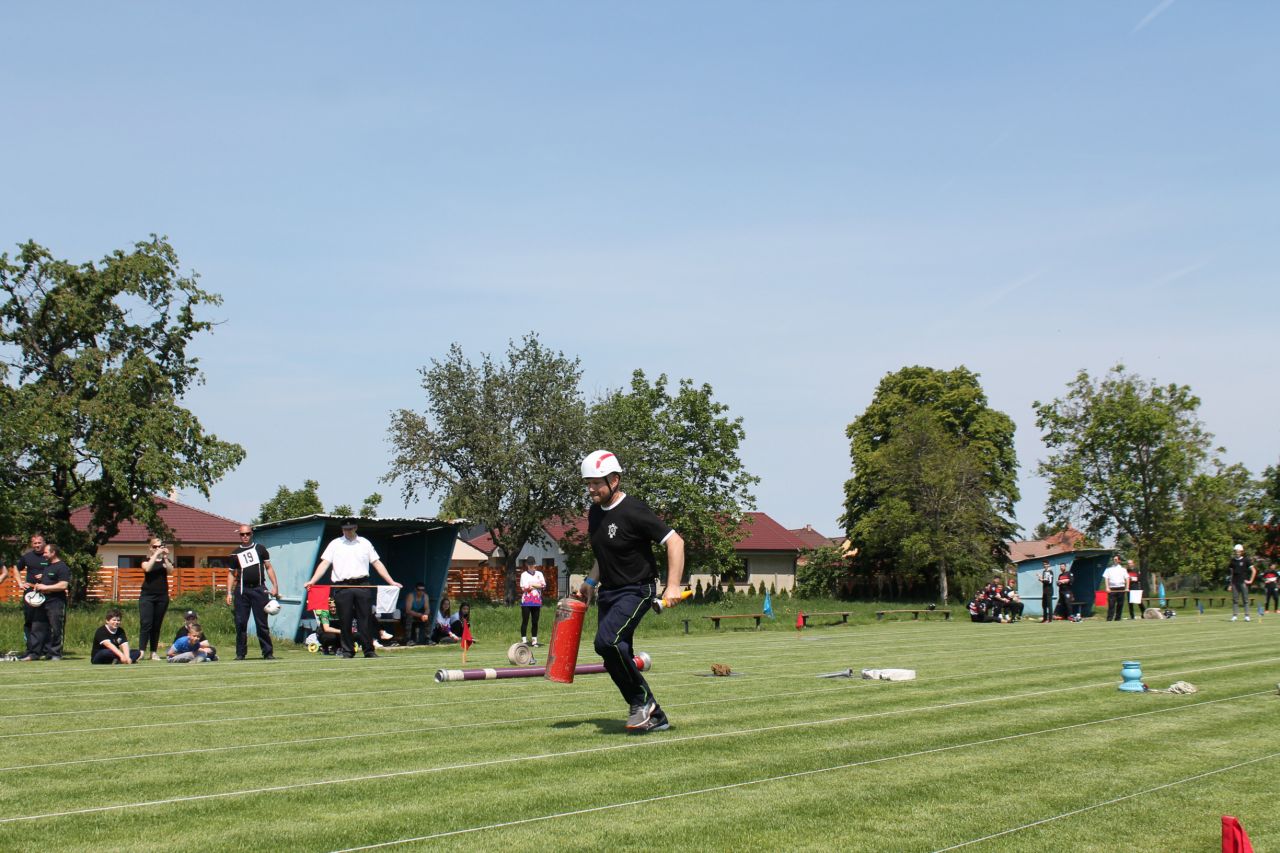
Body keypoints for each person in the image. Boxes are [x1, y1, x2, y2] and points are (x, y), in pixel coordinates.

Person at [576, 450, 684, 733]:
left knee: (606, 642)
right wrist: (590, 582)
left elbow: (675, 542)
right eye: (588, 483)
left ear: (614, 480)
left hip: (637, 590)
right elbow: (604, 553)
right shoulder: (595, 513)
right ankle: (654, 715)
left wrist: (673, 585)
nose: (591, 489)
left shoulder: (634, 510)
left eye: (596, 483)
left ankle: (644, 703)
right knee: (616, 654)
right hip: (608, 593)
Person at [304, 520, 401, 658]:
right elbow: (325, 563)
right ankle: (347, 651)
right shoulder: (335, 544)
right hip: (342, 586)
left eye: (350, 529)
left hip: (362, 585)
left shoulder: (365, 543)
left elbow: (377, 563)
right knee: (345, 620)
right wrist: (312, 581)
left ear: (355, 528)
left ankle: (369, 650)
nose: (347, 531)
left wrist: (391, 581)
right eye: (345, 529)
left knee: (365, 620)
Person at [228, 525, 280, 660]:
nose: (245, 536)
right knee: (240, 623)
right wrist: (228, 592)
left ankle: (268, 653)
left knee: (262, 623)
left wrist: (275, 586)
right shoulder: (235, 553)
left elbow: (269, 567)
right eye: (242, 534)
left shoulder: (260, 549)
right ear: (239, 535)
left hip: (259, 589)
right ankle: (240, 654)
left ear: (252, 534)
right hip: (242, 590)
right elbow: (231, 574)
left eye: (247, 534)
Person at [20, 542, 72, 661]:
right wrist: (37, 585)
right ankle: (35, 653)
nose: (43, 554)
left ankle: (55, 654)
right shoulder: (47, 566)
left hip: (56, 602)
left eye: (46, 552)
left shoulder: (62, 567)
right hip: (42, 601)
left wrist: (46, 587)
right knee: (37, 626)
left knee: (56, 628)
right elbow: (47, 581)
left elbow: (63, 585)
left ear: (53, 553)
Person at [138, 537, 173, 661]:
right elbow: (147, 569)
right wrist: (156, 555)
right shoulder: (146, 560)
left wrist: (165, 557)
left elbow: (170, 571)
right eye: (155, 547)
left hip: (162, 596)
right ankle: (141, 651)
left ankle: (153, 652)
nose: (157, 548)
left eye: (159, 546)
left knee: (156, 625)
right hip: (147, 596)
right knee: (146, 623)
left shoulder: (165, 560)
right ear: (150, 548)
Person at [16, 533, 49, 661]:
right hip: (30, 593)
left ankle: (45, 650)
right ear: (32, 544)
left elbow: (57, 569)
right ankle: (30, 650)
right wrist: (20, 583)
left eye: (39, 542)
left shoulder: (49, 556)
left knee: (45, 622)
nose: (37, 545)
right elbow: (16, 568)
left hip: (46, 592)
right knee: (29, 621)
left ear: (44, 543)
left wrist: (45, 575)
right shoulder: (27, 557)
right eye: (35, 543)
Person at [519, 557, 546, 646]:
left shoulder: (539, 574)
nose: (532, 566)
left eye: (533, 564)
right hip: (526, 601)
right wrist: (536, 585)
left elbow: (543, 585)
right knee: (525, 621)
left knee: (535, 621)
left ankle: (534, 640)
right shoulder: (524, 575)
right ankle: (524, 640)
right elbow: (524, 588)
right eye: (530, 565)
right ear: (527, 565)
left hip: (537, 601)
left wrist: (532, 584)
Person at [1227, 544, 1255, 622]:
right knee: (1235, 600)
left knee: (1245, 600)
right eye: (1236, 551)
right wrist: (1230, 584)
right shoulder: (1232, 561)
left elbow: (1254, 571)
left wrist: (1251, 581)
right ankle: (1234, 616)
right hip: (1234, 583)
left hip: (1243, 582)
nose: (1237, 553)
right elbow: (1231, 574)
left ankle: (1247, 616)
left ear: (1242, 552)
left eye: (1239, 551)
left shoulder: (1246, 560)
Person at [1102, 555, 1129, 622]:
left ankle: (1118, 618)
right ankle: (1109, 619)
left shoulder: (1123, 569)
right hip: (1112, 589)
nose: (1114, 561)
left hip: (1121, 588)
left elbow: (1127, 578)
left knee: (1120, 604)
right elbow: (1106, 578)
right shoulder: (1109, 569)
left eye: (1116, 559)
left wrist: (1127, 587)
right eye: (1114, 559)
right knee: (1111, 604)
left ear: (1119, 560)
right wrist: (1107, 587)